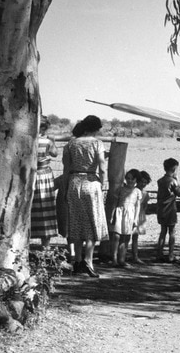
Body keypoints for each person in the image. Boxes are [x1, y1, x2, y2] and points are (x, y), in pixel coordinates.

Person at [62, 115, 108, 277]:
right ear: (95, 128)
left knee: (76, 222)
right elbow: (102, 166)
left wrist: (65, 187)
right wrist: (104, 182)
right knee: (93, 222)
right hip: (91, 182)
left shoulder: (71, 144)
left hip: (74, 183)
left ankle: (77, 260)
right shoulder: (97, 143)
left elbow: (66, 169)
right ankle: (88, 261)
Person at [31, 117, 59, 248]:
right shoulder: (47, 140)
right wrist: (52, 141)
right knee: (46, 208)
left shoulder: (29, 140)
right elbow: (54, 153)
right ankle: (45, 246)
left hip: (31, 176)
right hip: (45, 176)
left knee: (31, 208)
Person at [109, 169, 142, 268]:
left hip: (130, 215)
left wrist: (135, 219)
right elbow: (115, 202)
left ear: (136, 180)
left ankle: (122, 259)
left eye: (132, 179)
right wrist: (112, 215)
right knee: (116, 236)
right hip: (120, 212)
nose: (130, 181)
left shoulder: (137, 191)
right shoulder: (120, 189)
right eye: (128, 178)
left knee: (126, 237)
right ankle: (114, 259)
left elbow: (137, 206)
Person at [156, 158, 180, 262]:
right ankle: (171, 255)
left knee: (163, 231)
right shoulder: (173, 182)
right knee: (172, 232)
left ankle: (159, 254)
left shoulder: (160, 181)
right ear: (174, 168)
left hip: (161, 209)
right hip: (170, 209)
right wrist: (177, 180)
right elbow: (179, 193)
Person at [131, 170, 152, 264]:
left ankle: (135, 256)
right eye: (141, 181)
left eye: (145, 182)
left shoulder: (146, 194)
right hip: (131, 215)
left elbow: (145, 206)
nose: (143, 183)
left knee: (135, 237)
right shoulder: (131, 191)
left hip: (139, 216)